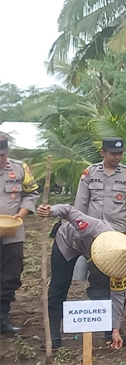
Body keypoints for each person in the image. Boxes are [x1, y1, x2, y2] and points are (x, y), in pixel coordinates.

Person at [38, 204, 126, 349]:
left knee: (101, 286)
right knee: (59, 285)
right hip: (66, 242)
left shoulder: (121, 262)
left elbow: (118, 295)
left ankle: (109, 331)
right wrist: (51, 211)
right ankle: (53, 336)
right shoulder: (90, 227)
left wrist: (116, 329)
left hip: (95, 253)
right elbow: (68, 210)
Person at [0, 134, 39, 334]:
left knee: (10, 275)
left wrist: (21, 214)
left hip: (12, 231)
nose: (0, 160)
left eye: (2, 155)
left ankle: (2, 318)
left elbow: (31, 193)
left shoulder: (19, 168)